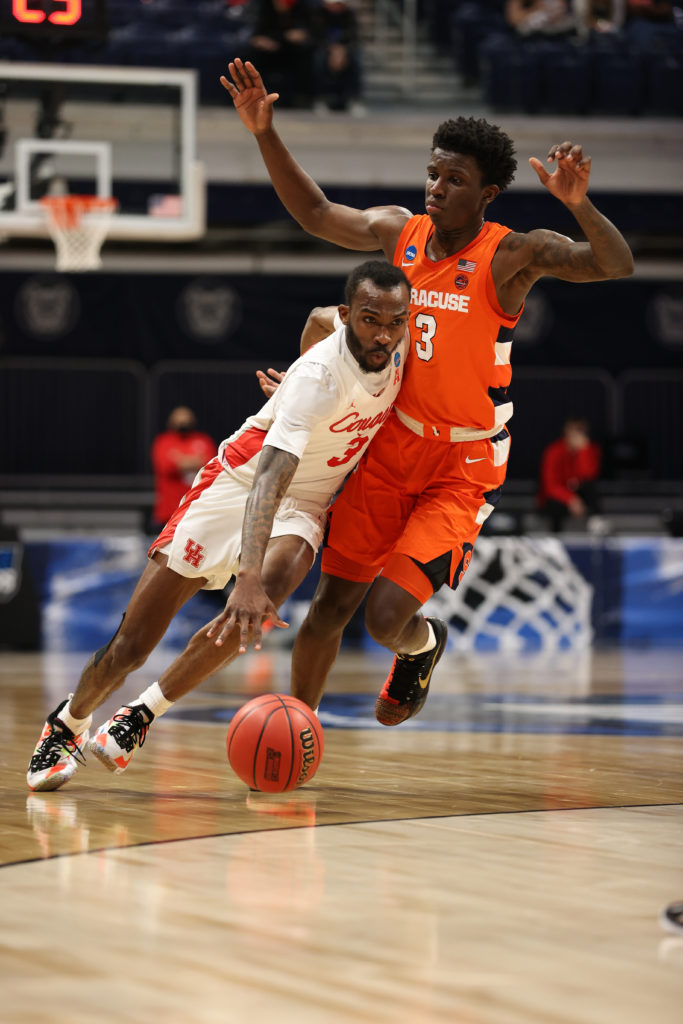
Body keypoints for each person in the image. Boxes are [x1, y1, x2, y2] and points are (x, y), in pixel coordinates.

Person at [221, 58, 634, 724]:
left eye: (455, 180)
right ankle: (298, 731)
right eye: (433, 174)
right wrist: (265, 133)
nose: (437, 188)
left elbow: (615, 265)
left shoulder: (512, 255)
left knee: (386, 617)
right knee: (330, 607)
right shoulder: (399, 231)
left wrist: (578, 205)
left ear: (488, 193)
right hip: (389, 448)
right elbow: (316, 214)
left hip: (461, 464)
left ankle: (420, 645)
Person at [26, 260, 411, 792]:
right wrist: (244, 576)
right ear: (350, 316)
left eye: (395, 322)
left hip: (305, 501)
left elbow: (316, 317)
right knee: (131, 647)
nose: (384, 334)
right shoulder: (318, 380)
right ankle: (67, 722)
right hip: (238, 484)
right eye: (370, 321)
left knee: (265, 598)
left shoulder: (398, 343)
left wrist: (294, 370)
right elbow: (267, 482)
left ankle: (141, 714)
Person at [150, 406, 216, 531]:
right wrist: (195, 461)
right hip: (170, 511)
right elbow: (165, 466)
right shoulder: (164, 441)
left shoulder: (203, 440)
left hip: (197, 508)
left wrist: (180, 460)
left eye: (186, 420)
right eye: (179, 420)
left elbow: (211, 466)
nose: (183, 424)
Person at [247, 0, 318, 109]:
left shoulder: (302, 7)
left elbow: (308, 33)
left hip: (291, 49)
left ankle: (301, 97)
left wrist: (301, 36)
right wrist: (261, 40)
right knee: (250, 55)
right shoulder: (262, 6)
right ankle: (253, 96)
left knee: (305, 55)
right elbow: (255, 34)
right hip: (267, 48)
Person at [537, 416, 602, 532]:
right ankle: (556, 534)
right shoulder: (553, 451)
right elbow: (550, 486)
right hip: (559, 497)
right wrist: (571, 499)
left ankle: (595, 524)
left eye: (580, 431)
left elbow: (589, 475)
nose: (576, 435)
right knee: (554, 504)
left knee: (591, 489)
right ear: (566, 431)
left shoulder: (589, 450)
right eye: (574, 430)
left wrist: (583, 452)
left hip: (578, 494)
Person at [312, 0, 365, 115]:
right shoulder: (318, 15)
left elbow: (354, 38)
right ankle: (321, 98)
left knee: (356, 60)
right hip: (326, 49)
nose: (336, 7)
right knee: (318, 60)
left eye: (338, 4)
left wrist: (343, 51)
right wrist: (332, 50)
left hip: (345, 50)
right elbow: (317, 37)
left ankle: (354, 99)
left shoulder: (349, 15)